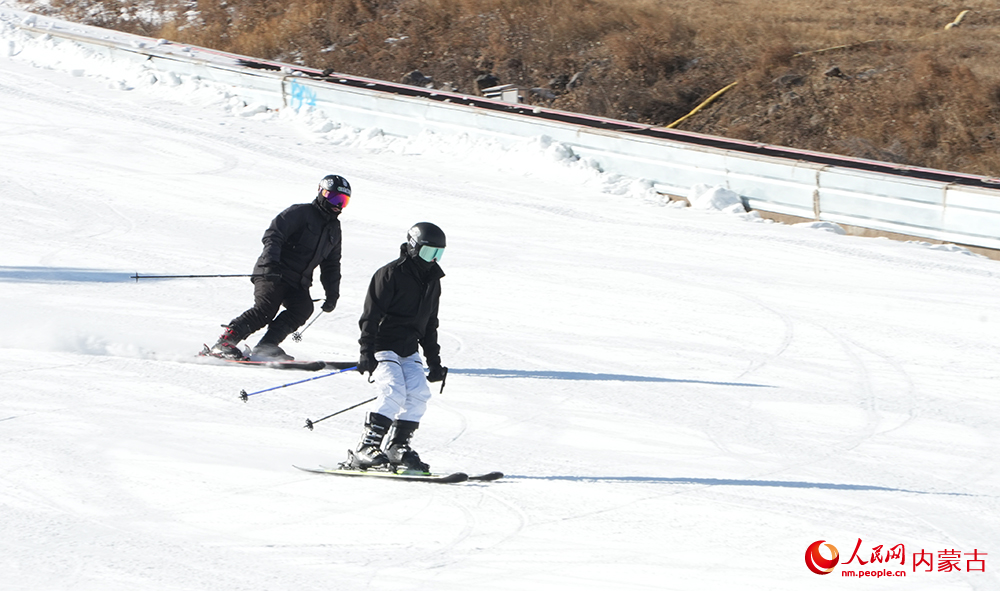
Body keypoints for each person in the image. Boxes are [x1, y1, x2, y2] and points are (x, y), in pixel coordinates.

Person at [343, 222, 449, 473]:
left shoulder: (433, 280)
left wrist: (434, 362)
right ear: (413, 247)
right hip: (383, 345)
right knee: (392, 391)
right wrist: (366, 352)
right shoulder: (390, 274)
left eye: (439, 253)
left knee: (419, 393)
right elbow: (370, 316)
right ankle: (365, 448)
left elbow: (430, 324)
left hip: (408, 348)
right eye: (429, 252)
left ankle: (397, 447)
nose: (433, 259)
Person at [209, 174, 350, 361]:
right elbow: (274, 235)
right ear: (321, 193)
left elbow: (331, 264)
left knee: (303, 308)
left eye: (343, 201)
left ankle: (266, 347)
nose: (337, 205)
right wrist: (271, 264)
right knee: (265, 309)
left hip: (297, 282)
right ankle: (224, 343)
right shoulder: (301, 213)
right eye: (333, 198)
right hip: (273, 272)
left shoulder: (334, 229)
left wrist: (332, 294)